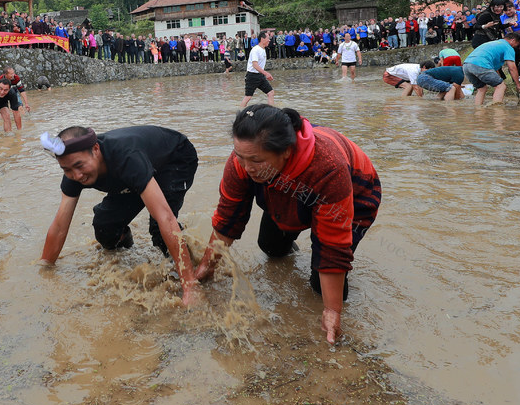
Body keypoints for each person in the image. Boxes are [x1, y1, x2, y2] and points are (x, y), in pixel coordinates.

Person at [194, 105, 382, 344]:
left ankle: (325, 279)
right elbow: (228, 215)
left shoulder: (328, 166)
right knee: (270, 247)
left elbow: (333, 244)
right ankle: (295, 242)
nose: (246, 167)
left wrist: (332, 311)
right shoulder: (243, 161)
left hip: (353, 194)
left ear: (286, 151)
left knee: (320, 286)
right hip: (284, 185)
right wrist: (207, 266)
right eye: (239, 156)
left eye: (255, 160)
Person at [39, 125, 200, 305]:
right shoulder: (73, 170)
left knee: (158, 228)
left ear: (96, 149)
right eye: (66, 169)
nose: (76, 175)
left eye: (79, 166)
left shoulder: (126, 157)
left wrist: (190, 288)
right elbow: (60, 226)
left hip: (174, 160)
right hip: (134, 174)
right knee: (104, 226)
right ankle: (126, 245)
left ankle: (188, 272)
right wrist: (45, 268)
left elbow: (166, 218)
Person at [462, 34, 520, 105]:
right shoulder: (508, 47)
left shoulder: (493, 43)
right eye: (517, 44)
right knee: (501, 86)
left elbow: (494, 69)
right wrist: (518, 85)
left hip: (466, 65)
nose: (516, 46)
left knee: (482, 89)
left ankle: (478, 110)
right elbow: (512, 68)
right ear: (513, 40)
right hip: (480, 64)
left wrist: (499, 80)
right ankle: (497, 111)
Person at [241, 31, 274, 107]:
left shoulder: (263, 49)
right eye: (268, 38)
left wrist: (264, 74)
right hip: (252, 76)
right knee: (248, 97)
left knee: (271, 93)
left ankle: (272, 113)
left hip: (260, 76)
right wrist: (266, 73)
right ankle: (240, 114)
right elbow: (255, 65)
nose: (269, 40)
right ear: (262, 39)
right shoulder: (256, 50)